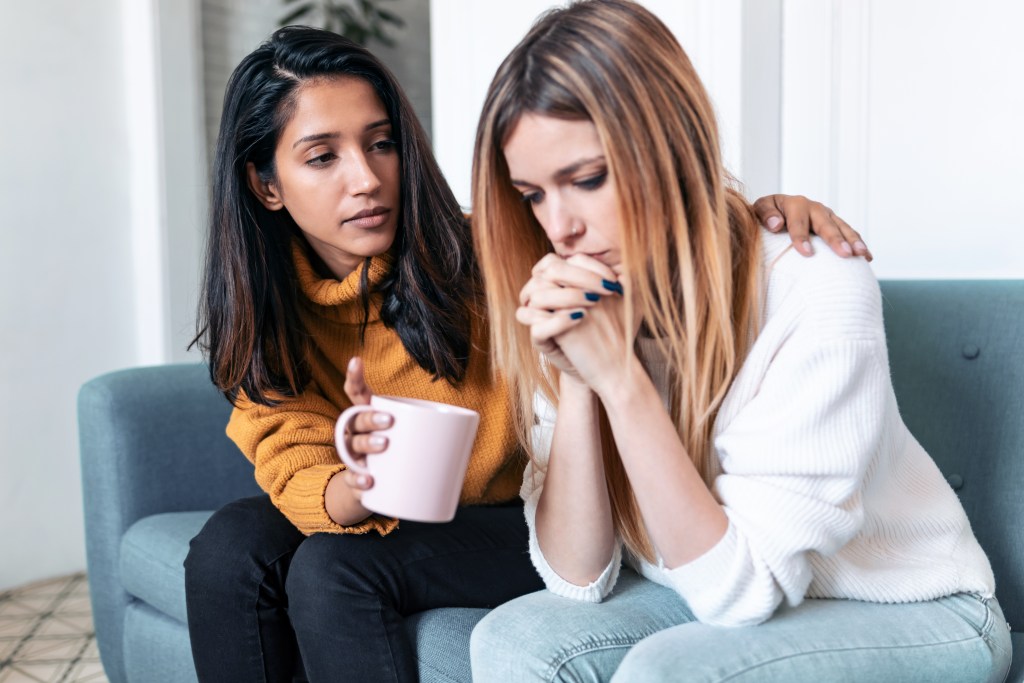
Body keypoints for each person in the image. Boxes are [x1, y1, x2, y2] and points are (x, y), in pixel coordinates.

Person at [183, 23, 871, 683]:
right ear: (265, 184)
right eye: (322, 156)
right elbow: (292, 459)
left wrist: (758, 214)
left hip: (525, 509)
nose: (365, 178)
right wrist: (363, 481)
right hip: (404, 508)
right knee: (231, 548)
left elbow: (648, 223)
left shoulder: (501, 248)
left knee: (334, 569)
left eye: (381, 143)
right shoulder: (268, 316)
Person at [468, 2, 1011, 682]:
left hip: (914, 606)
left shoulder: (815, 285)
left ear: (671, 146)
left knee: (668, 672)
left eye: (587, 179)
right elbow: (578, 577)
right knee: (511, 641)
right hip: (713, 592)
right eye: (532, 195)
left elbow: (742, 590)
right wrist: (581, 376)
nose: (559, 226)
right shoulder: (589, 296)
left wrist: (622, 381)